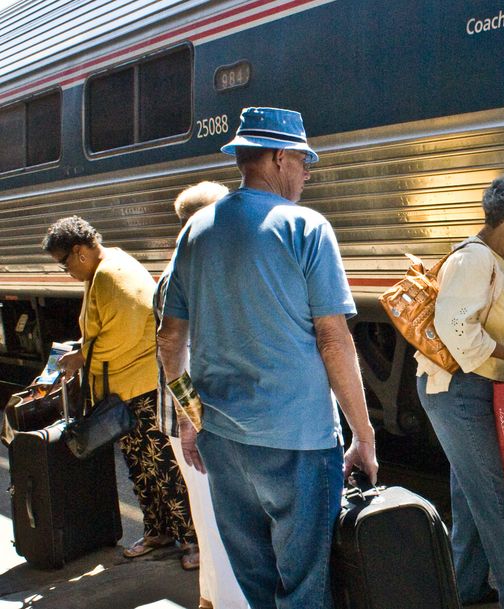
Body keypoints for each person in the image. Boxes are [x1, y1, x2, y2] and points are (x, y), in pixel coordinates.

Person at [156, 107, 378, 609]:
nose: (306, 174)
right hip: (297, 442)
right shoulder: (306, 227)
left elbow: (170, 340)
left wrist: (191, 419)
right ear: (279, 157)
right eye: (303, 162)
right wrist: (363, 435)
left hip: (223, 442)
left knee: (257, 586)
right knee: (303, 588)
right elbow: (333, 340)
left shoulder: (196, 230)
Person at [416, 172, 504, 609]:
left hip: (466, 390)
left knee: (474, 495)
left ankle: (467, 589)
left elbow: (482, 321)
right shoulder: (476, 259)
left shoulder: (487, 260)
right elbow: (456, 329)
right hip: (459, 391)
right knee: (500, 500)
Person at [41, 216, 199, 569]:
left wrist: (83, 356)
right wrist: (83, 348)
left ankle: (192, 540)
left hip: (139, 387)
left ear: (80, 252)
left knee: (162, 466)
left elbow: (125, 334)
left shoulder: (113, 274)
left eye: (64, 262)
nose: (65, 271)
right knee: (140, 466)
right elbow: (103, 328)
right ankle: (158, 530)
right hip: (122, 391)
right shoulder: (102, 270)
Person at [154, 181, 249, 609]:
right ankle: (225, 601)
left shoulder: (178, 268)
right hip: (194, 420)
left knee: (208, 518)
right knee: (219, 520)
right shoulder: (186, 274)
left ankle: (211, 599)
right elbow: (181, 353)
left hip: (185, 418)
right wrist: (196, 419)